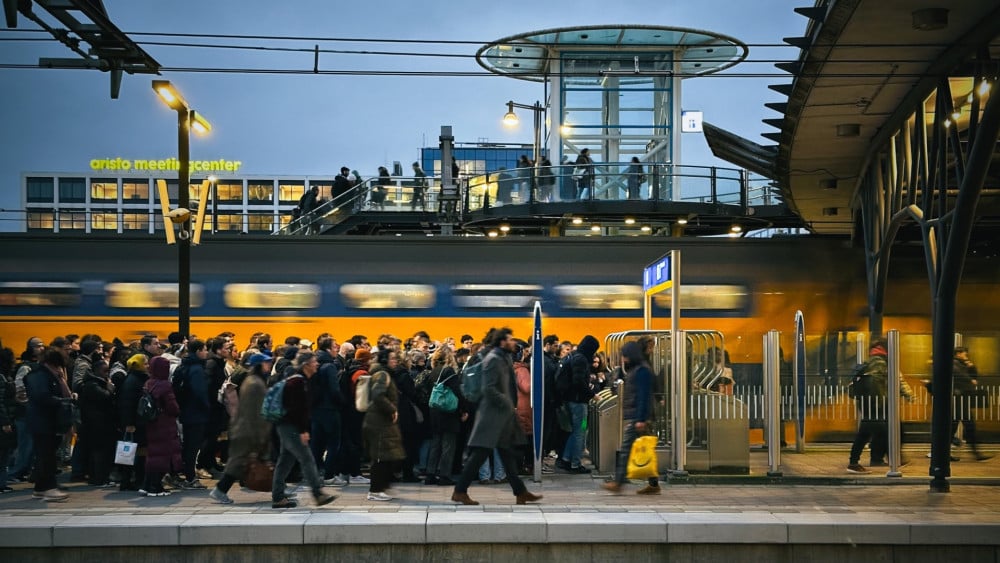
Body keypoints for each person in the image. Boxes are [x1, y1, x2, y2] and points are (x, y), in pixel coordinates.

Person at [451, 327, 542, 506]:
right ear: (502, 342)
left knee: (506, 454)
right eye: (509, 339)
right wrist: (507, 402)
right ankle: (460, 491)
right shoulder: (493, 359)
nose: (513, 342)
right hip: (492, 416)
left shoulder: (503, 357)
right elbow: (489, 388)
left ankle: (520, 492)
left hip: (500, 416)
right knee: (479, 455)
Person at [270, 351, 337, 509]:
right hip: (291, 427)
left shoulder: (301, 380)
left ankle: (278, 497)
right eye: (314, 362)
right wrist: (302, 430)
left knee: (285, 461)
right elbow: (295, 409)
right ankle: (317, 494)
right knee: (306, 459)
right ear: (306, 364)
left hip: (285, 425)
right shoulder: (297, 383)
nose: (317, 364)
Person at [209, 353, 273, 504]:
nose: (269, 365)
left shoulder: (254, 381)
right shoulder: (254, 384)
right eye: (266, 363)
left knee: (241, 461)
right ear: (259, 365)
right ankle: (219, 490)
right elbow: (254, 411)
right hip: (248, 430)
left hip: (247, 428)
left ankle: (278, 490)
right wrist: (261, 434)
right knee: (238, 462)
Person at [602, 341, 661, 494]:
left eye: (625, 355)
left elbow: (643, 396)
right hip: (638, 415)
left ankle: (619, 482)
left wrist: (641, 419)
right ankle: (654, 484)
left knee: (626, 448)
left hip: (639, 417)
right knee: (646, 450)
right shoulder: (637, 369)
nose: (623, 359)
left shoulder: (642, 371)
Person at [25, 348, 73, 502]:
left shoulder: (49, 375)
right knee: (46, 455)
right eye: (58, 365)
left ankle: (40, 488)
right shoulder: (39, 376)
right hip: (42, 422)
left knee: (46, 454)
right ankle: (49, 488)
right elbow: (42, 397)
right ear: (52, 363)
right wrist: (62, 402)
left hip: (48, 422)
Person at [362, 369, 406, 501]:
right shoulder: (381, 374)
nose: (395, 361)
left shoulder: (383, 374)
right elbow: (378, 395)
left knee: (388, 456)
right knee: (380, 457)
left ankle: (382, 487)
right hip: (378, 422)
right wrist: (392, 409)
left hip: (382, 422)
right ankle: (375, 490)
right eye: (392, 358)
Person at [558, 335, 600, 473]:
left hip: (572, 401)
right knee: (580, 431)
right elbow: (578, 381)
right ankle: (575, 464)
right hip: (579, 403)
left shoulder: (574, 355)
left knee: (575, 431)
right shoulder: (581, 359)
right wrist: (592, 394)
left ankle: (566, 459)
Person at [846, 340, 889, 474]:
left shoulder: (870, 361)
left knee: (867, 432)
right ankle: (854, 463)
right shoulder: (880, 363)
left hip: (866, 401)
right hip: (873, 402)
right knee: (875, 431)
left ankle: (856, 461)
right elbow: (876, 383)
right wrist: (878, 402)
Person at [142, 356, 182, 497]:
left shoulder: (149, 383)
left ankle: (147, 485)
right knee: (163, 455)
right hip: (165, 424)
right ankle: (155, 487)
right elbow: (172, 407)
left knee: (154, 453)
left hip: (152, 423)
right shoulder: (165, 385)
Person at [951, 347, 993, 462]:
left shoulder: (962, 364)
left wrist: (971, 367)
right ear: (958, 354)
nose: (966, 356)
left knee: (959, 427)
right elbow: (963, 377)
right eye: (965, 354)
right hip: (958, 400)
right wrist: (970, 379)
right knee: (966, 426)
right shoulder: (954, 364)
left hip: (962, 400)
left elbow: (974, 376)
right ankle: (976, 453)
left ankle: (976, 453)